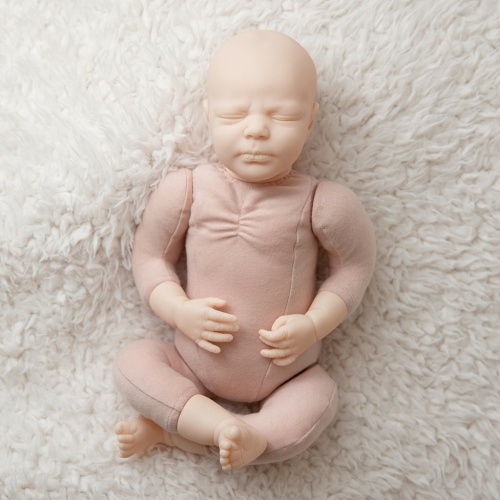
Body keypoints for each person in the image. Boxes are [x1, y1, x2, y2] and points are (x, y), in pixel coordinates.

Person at [114, 30, 376, 471]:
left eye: (282, 115)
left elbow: (354, 267)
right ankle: (218, 429)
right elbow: (150, 257)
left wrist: (314, 325)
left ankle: (183, 434)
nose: (256, 129)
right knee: (133, 363)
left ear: (310, 120)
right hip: (190, 363)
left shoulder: (322, 202)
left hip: (288, 375)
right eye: (234, 114)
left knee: (317, 403)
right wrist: (179, 311)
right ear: (208, 115)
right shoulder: (187, 189)